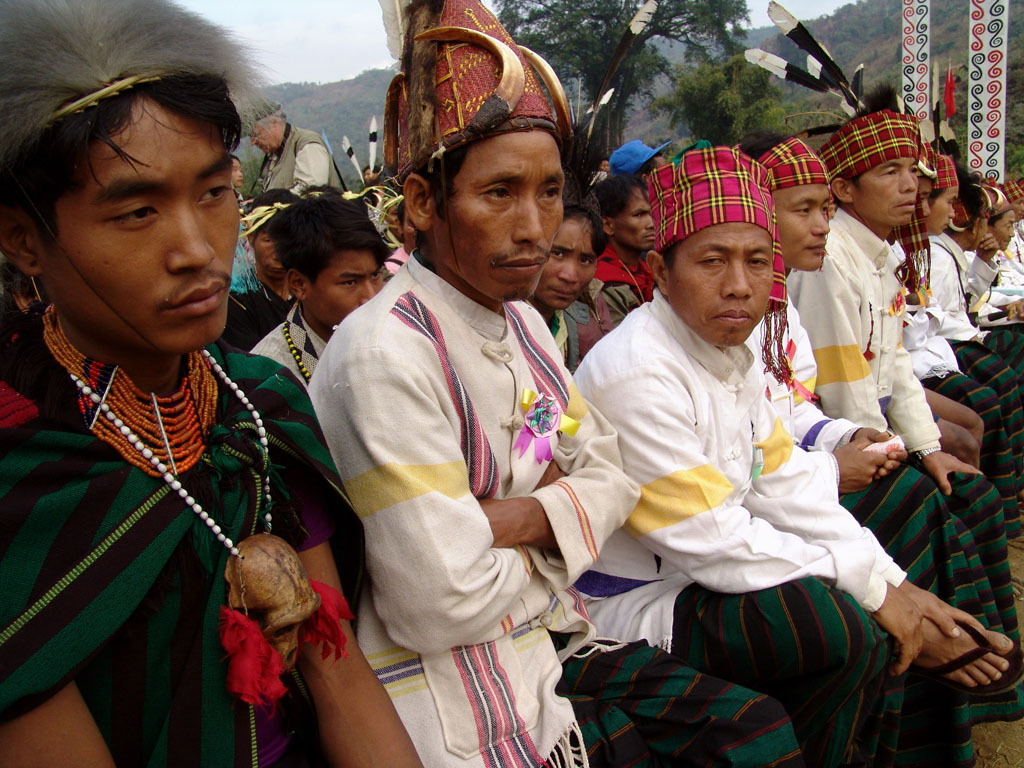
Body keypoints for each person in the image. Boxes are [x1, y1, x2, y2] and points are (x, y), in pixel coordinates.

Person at [310, 2, 804, 766]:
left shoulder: (528, 330)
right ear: (420, 203)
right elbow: (439, 603)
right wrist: (565, 514)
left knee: (754, 727)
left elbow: (616, 480)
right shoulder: (386, 354)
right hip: (453, 679)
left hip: (550, 635)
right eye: (500, 192)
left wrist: (504, 519)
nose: (535, 227)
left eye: (548, 192)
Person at [0, 1, 422, 766]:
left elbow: (340, 677)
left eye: (215, 192)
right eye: (135, 211)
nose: (197, 249)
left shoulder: (259, 409)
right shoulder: (20, 470)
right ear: (24, 238)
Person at [577, 145, 932, 768]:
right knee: (828, 621)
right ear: (660, 269)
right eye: (713, 261)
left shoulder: (729, 354)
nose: (741, 286)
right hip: (628, 600)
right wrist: (868, 585)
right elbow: (713, 536)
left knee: (859, 614)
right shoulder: (638, 371)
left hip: (697, 574)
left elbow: (784, 478)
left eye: (758, 262)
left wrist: (890, 581)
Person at [741, 132, 1024, 765]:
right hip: (753, 509)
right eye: (804, 209)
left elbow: (805, 406)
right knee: (913, 500)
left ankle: (958, 682)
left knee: (951, 487)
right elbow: (764, 445)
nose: (911, 187)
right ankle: (925, 689)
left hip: (800, 471)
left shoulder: (790, 294)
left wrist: (867, 442)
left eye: (821, 209)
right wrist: (865, 452)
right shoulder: (781, 290)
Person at [251, 195, 387, 383]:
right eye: (350, 282)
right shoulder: (270, 376)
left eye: (375, 275)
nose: (371, 297)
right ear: (299, 284)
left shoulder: (397, 338)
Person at [528, 206, 612, 371]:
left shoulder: (569, 326)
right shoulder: (501, 323)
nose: (570, 276)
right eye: (558, 254)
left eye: (585, 260)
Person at [222, 189, 298, 350]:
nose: (279, 251)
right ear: (251, 238)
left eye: (289, 239)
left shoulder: (309, 296)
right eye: (269, 240)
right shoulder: (236, 304)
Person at [593, 174, 655, 326]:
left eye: (651, 213)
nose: (651, 224)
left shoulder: (646, 269)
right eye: (639, 215)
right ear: (608, 225)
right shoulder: (605, 282)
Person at [251, 108, 343, 194]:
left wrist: (270, 203)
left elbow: (312, 190)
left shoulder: (307, 144)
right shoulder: (273, 154)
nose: (253, 142)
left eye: (256, 135)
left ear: (274, 123)